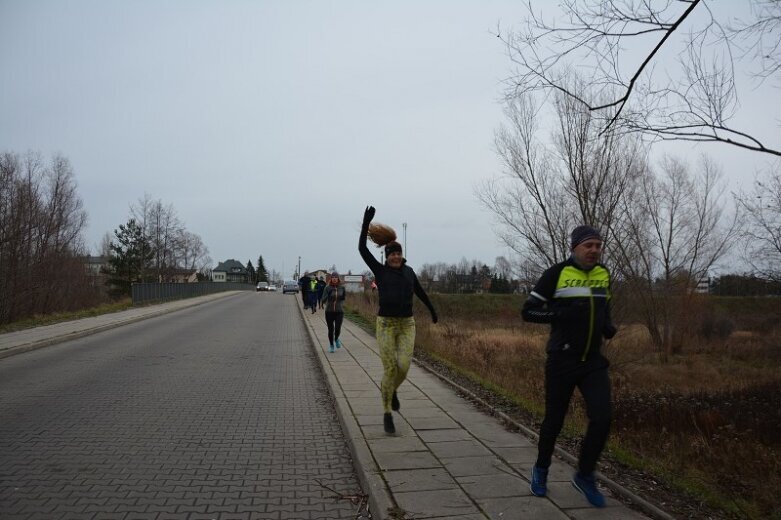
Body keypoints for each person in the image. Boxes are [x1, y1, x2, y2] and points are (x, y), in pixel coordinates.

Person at [521, 225, 617, 508]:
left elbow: (604, 307)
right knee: (554, 421)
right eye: (589, 245)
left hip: (592, 361)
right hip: (562, 360)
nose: (595, 250)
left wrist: (608, 325)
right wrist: (562, 313)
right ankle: (541, 469)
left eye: (598, 246)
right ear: (575, 247)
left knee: (603, 417)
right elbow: (528, 311)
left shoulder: (603, 274)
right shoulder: (556, 274)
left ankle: (585, 474)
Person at [359, 206, 438, 435]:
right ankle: (386, 412)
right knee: (390, 367)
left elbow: (420, 292)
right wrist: (366, 224)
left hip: (406, 324)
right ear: (387, 256)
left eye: (398, 253)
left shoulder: (409, 272)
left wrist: (432, 310)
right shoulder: (380, 271)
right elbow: (362, 249)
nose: (395, 256)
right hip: (385, 324)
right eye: (391, 253)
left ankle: (391, 390)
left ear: (402, 255)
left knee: (403, 366)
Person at [320, 272, 346, 353]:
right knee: (331, 330)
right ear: (331, 278)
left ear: (338, 278)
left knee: (338, 328)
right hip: (329, 311)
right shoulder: (327, 288)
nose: (334, 279)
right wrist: (329, 295)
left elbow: (343, 298)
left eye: (336, 277)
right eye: (333, 277)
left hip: (339, 311)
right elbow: (323, 299)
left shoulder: (342, 288)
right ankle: (331, 345)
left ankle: (336, 338)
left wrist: (341, 303)